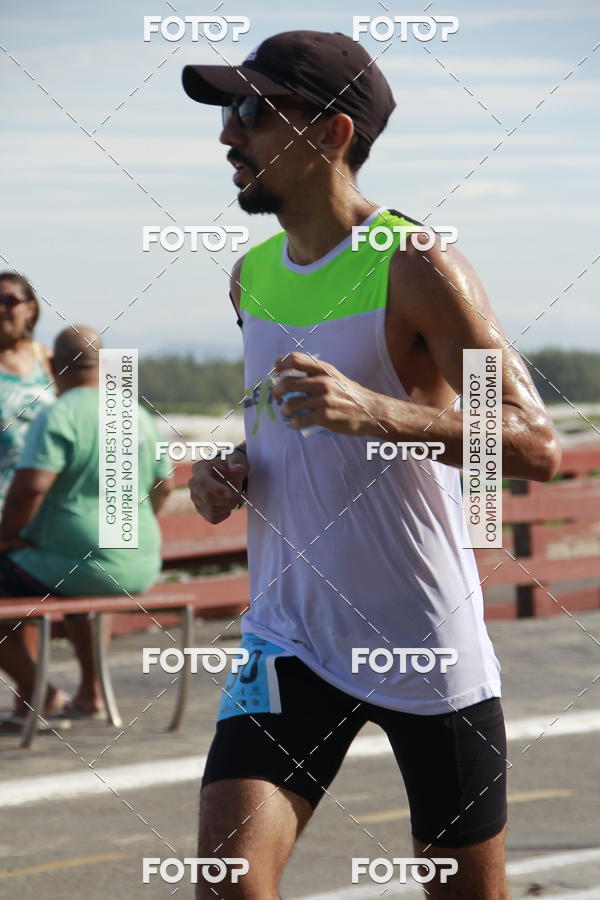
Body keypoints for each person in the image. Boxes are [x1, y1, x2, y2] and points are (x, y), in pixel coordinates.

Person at [184, 31, 561, 899]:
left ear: (333, 132)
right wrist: (230, 468)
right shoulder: (250, 277)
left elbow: (534, 441)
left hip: (422, 642)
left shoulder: (416, 264)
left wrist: (377, 411)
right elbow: (285, 422)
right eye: (229, 111)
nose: (227, 134)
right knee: (226, 882)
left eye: (251, 110)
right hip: (288, 636)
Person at [0, 326, 173, 728]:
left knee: (30, 574)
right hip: (141, 565)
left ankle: (43, 694)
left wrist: (8, 538)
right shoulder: (136, 413)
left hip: (80, 565)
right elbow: (163, 485)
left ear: (52, 366)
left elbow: (29, 490)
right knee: (73, 581)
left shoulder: (57, 413)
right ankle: (91, 694)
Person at [0, 272, 54, 516]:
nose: (1, 309)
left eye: (9, 300)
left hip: (46, 509)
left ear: (30, 309)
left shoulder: (50, 361)